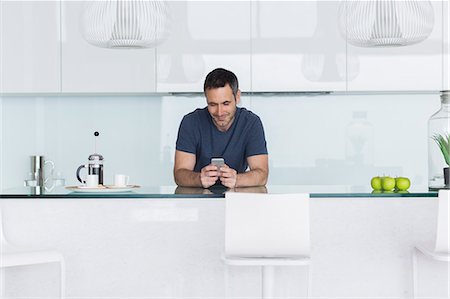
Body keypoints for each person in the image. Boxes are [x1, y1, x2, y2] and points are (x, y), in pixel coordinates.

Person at [174, 68, 268, 189]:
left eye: (225, 103)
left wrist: (237, 179)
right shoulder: (191, 122)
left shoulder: (251, 123)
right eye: (212, 104)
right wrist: (199, 179)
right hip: (196, 200)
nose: (219, 112)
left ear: (237, 97)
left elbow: (262, 174)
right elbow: (179, 174)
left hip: (237, 198)